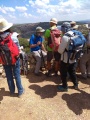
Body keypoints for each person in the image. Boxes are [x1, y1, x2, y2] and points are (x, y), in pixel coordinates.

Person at [0, 18, 24, 97]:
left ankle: (12, 91)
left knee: (9, 76)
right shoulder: (13, 36)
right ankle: (20, 91)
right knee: (17, 75)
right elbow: (17, 47)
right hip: (14, 59)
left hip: (4, 60)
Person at [58, 22, 79, 91]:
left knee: (63, 72)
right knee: (72, 71)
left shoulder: (65, 37)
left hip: (66, 59)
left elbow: (60, 51)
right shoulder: (75, 33)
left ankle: (65, 86)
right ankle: (76, 84)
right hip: (74, 57)